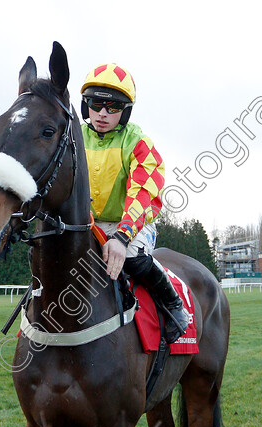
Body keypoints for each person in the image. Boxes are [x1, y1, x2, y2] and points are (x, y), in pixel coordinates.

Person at [80, 63, 189, 343]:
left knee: (128, 256)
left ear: (125, 111)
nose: (102, 113)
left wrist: (121, 236)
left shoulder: (139, 143)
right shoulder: (73, 137)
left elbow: (142, 194)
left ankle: (173, 304)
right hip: (87, 223)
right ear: (86, 106)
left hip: (132, 223)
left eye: (113, 107)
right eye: (96, 104)